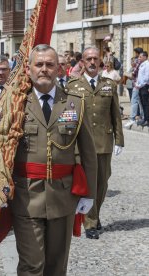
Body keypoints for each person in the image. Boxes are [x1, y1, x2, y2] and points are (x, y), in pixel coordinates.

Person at [11, 44, 97, 275]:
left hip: (63, 196)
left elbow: (89, 154)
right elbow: (0, 150)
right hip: (25, 196)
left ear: (59, 69)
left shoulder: (75, 102)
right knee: (32, 264)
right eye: (39, 64)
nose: (44, 69)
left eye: (50, 65)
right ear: (28, 69)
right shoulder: (16, 104)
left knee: (57, 265)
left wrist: (89, 194)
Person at [67, 46, 124, 239]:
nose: (92, 62)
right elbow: (68, 115)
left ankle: (95, 214)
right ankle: (90, 222)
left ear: (100, 62)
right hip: (81, 143)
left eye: (95, 59)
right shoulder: (72, 85)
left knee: (102, 183)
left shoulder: (109, 85)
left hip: (103, 141)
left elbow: (115, 114)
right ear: (82, 62)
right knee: (89, 183)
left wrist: (119, 140)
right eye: (88, 59)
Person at [135, 51, 149, 127]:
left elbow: (146, 77)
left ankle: (147, 120)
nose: (139, 58)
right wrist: (137, 84)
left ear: (145, 57)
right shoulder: (141, 65)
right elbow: (140, 77)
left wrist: (140, 85)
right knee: (142, 104)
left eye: (140, 57)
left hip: (144, 86)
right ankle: (145, 118)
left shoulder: (147, 65)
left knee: (146, 104)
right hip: (141, 86)